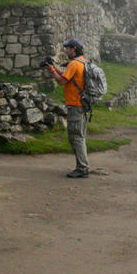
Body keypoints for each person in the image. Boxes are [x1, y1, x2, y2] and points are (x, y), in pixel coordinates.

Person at [46, 38, 90, 178]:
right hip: (82, 104)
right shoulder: (83, 62)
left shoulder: (73, 64)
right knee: (80, 136)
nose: (66, 51)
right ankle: (82, 166)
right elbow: (67, 76)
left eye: (68, 48)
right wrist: (53, 66)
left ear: (74, 49)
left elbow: (61, 81)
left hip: (75, 105)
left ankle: (82, 168)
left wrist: (52, 70)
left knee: (76, 137)